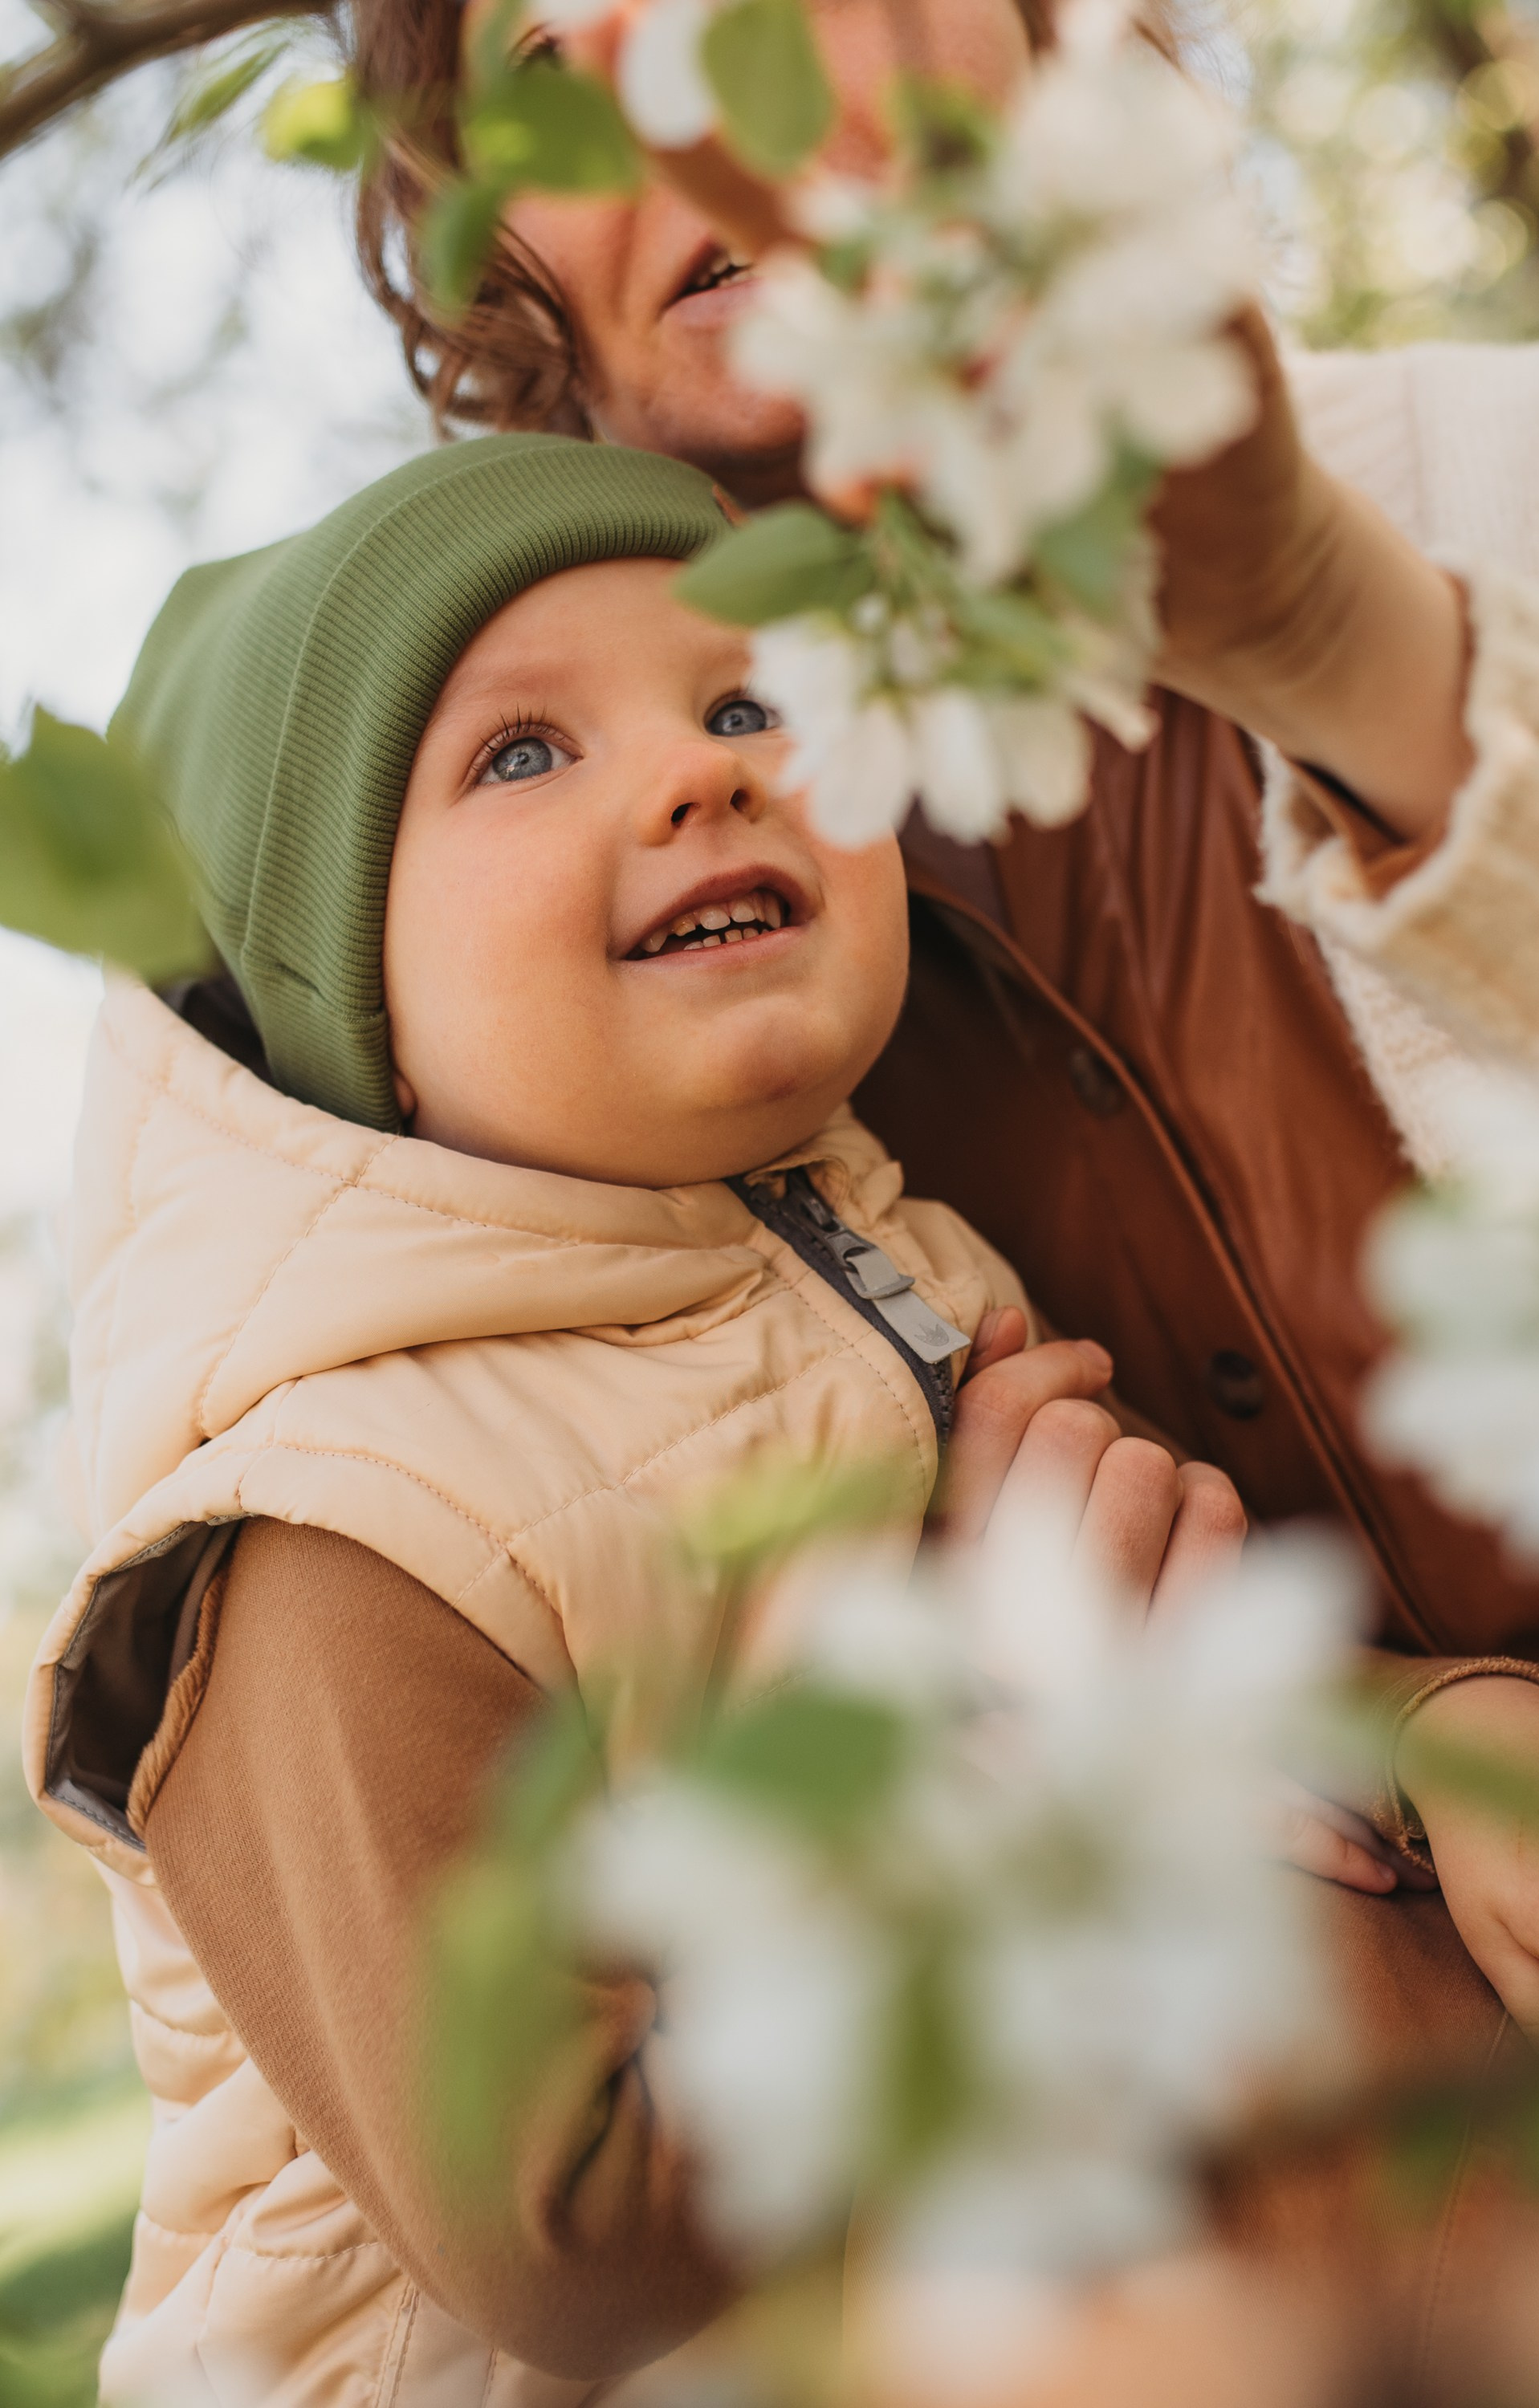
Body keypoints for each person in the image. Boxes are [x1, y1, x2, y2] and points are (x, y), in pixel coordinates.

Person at [347, 0, 1539, 2050]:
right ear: (496, 250)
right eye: (560, 66)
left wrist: (1329, 639)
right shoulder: (483, 927)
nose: (696, 91)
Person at [26, 433, 1287, 2404]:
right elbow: (575, 2237)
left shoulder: (900, 1272)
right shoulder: (339, 1532)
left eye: (751, 701)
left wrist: (1439, 1736)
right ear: (336, 989)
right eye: (523, 753)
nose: (708, 769)